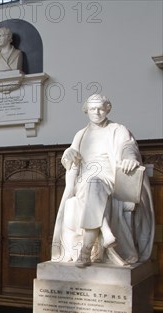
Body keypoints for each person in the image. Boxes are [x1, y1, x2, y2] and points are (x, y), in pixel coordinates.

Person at [51, 94, 154, 267]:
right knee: (92, 184)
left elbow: (127, 146)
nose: (96, 112)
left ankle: (86, 249)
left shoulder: (118, 129)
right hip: (85, 180)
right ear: (86, 111)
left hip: (111, 178)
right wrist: (67, 155)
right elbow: (71, 158)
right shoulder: (81, 134)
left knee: (95, 184)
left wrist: (130, 158)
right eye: (92, 109)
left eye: (100, 108)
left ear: (107, 109)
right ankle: (105, 232)